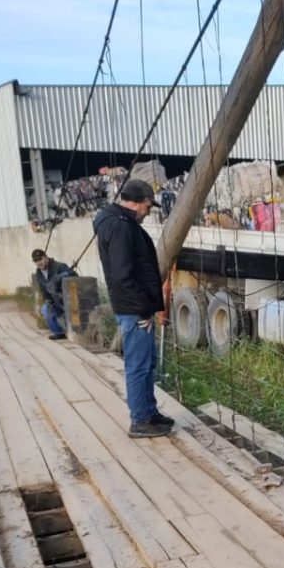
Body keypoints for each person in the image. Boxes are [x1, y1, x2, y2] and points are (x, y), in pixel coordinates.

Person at [94, 179, 174, 439]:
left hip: (135, 308)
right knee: (139, 366)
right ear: (134, 201)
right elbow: (123, 275)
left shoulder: (120, 223)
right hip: (134, 310)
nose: (148, 211)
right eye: (147, 206)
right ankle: (140, 420)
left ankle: (149, 412)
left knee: (146, 363)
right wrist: (142, 310)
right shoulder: (120, 227)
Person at [31, 249, 74, 340]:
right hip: (54, 301)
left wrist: (61, 276)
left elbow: (73, 273)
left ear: (46, 257)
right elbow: (43, 290)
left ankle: (73, 331)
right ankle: (59, 332)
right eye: (36, 261)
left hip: (66, 300)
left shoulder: (59, 266)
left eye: (40, 259)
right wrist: (48, 300)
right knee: (45, 309)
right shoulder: (39, 273)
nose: (39, 262)